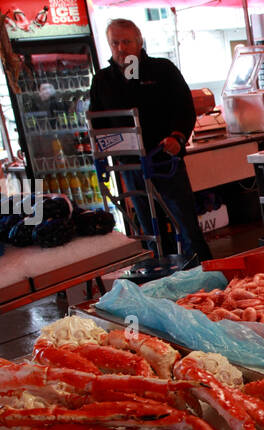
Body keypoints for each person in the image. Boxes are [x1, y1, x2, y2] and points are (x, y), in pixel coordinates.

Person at [89, 19, 212, 262]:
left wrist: (178, 136)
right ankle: (162, 277)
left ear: (139, 42)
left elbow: (184, 107)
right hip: (130, 165)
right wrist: (98, 151)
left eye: (126, 41)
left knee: (186, 225)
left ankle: (206, 273)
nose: (121, 48)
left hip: (165, 160)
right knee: (148, 229)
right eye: (115, 43)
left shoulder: (162, 69)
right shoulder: (102, 80)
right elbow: (97, 121)